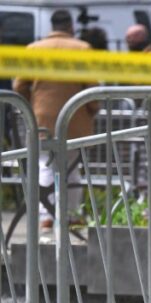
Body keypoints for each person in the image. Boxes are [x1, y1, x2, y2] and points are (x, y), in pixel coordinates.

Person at [13, 10, 98, 229]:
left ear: (50, 27)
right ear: (71, 26)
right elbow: (91, 87)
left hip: (41, 118)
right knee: (71, 169)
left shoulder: (34, 49)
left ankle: (46, 216)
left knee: (45, 165)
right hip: (74, 118)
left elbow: (19, 85)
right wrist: (93, 108)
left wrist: (28, 106)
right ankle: (71, 215)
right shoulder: (82, 49)